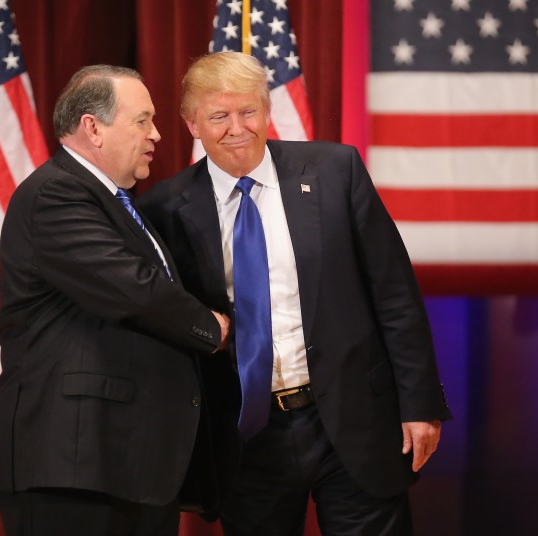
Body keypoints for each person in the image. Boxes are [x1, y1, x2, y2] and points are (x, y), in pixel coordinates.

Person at [139, 51, 451, 535]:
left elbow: (394, 293)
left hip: (353, 418)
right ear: (191, 123)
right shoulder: (164, 208)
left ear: (267, 111)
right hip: (247, 436)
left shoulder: (334, 171)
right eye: (219, 116)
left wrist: (421, 405)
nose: (237, 127)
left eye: (248, 111)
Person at [0, 65, 230, 536]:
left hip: (124, 464)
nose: (157, 134)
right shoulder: (57, 192)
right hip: (73, 467)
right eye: (142, 120)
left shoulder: (115, 202)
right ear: (92, 127)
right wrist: (212, 328)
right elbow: (133, 289)